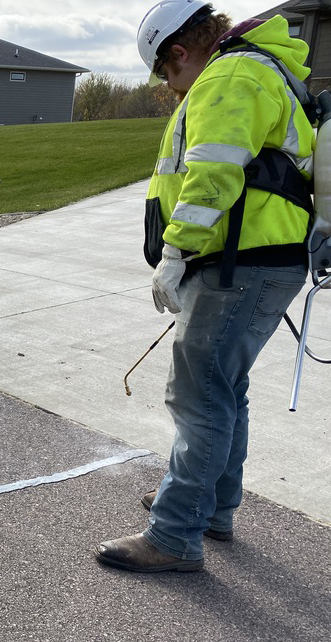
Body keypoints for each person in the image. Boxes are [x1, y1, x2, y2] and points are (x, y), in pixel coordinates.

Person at [96, 1, 313, 572]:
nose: (172, 87)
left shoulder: (232, 74)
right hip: (254, 261)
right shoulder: (256, 68)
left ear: (179, 51)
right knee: (223, 389)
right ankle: (210, 505)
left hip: (240, 265)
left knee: (198, 397)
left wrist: (175, 251)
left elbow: (213, 170)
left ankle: (173, 535)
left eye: (168, 74)